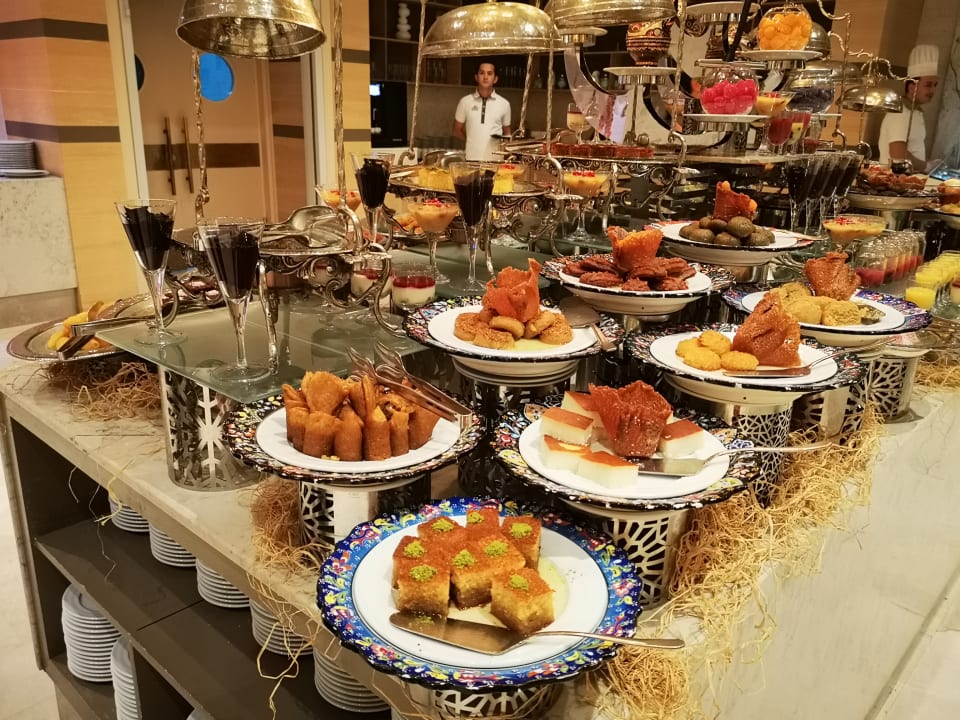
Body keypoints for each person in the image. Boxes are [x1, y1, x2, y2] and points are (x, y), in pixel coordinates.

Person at [878, 44, 940, 170]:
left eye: (935, 85)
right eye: (928, 85)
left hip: (908, 177)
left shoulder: (915, 112)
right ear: (912, 88)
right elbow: (898, 155)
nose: (933, 90)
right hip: (895, 179)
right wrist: (926, 166)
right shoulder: (900, 113)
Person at [453, 61, 512, 161]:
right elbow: (456, 130)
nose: (485, 77)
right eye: (482, 73)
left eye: (489, 73)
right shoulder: (465, 102)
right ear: (476, 77)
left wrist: (504, 150)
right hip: (471, 160)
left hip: (495, 162)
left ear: (495, 79)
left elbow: (507, 133)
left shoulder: (504, 104)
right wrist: (472, 140)